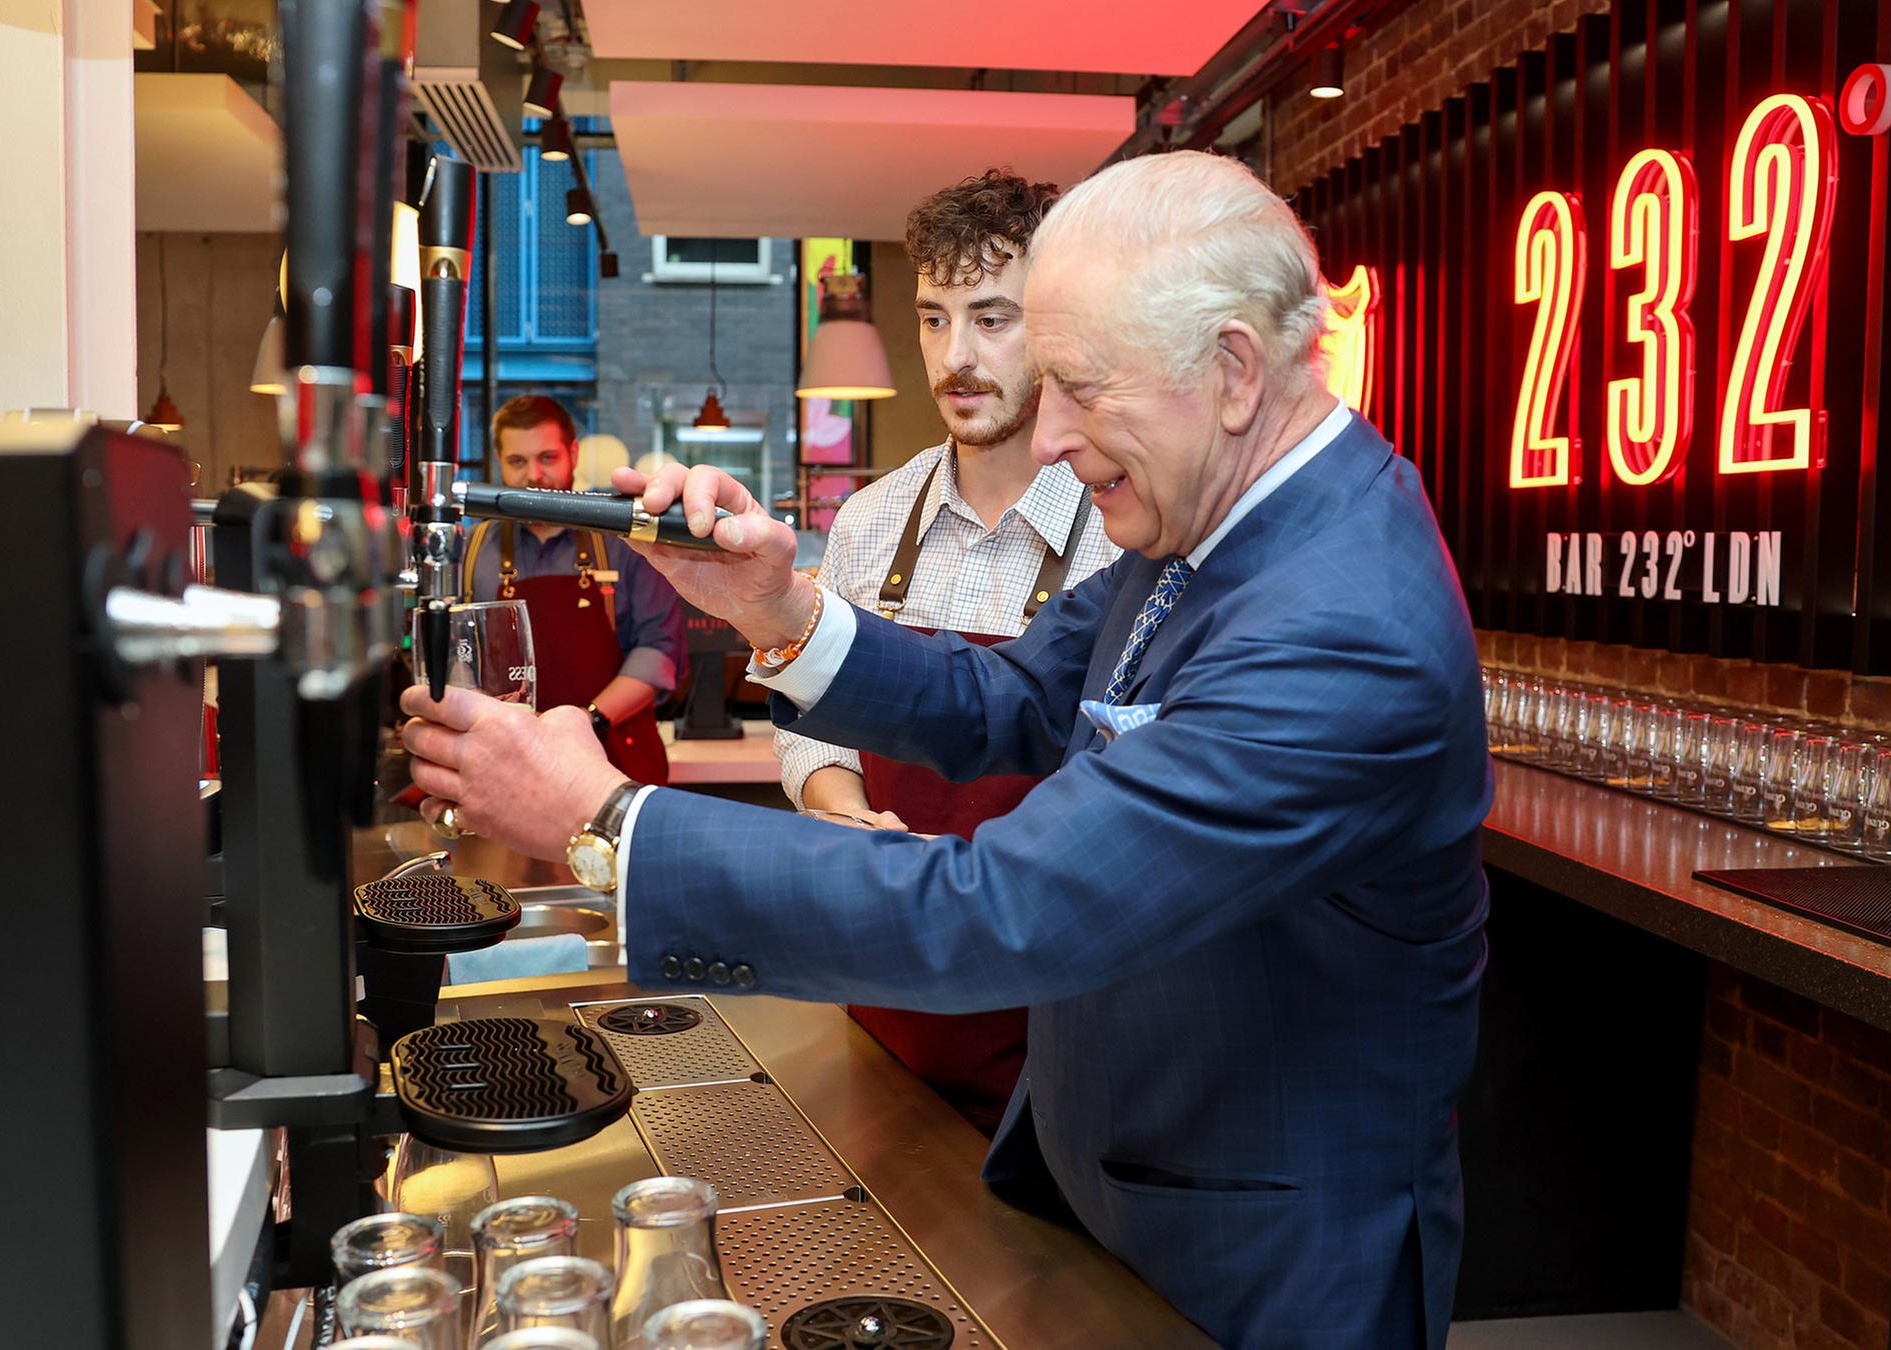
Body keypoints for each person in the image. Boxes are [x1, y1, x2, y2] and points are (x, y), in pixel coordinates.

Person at [401, 152, 1491, 1348]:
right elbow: (1002, 696)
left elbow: (1006, 908)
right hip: (1116, 1186)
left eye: (1082, 387)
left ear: (1232, 371)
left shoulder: (1343, 623)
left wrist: (606, 820)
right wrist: (777, 607)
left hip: (1261, 1258)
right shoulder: (1208, 527)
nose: (1053, 435)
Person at [780, 169, 1119, 1134]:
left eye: (992, 319)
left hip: (1055, 1014)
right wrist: (845, 817)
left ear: (1057, 328)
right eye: (934, 319)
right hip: (886, 989)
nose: (955, 357)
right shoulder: (869, 519)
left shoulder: (1120, 526)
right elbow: (814, 726)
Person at [463, 395, 685, 785]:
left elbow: (660, 649)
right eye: (517, 461)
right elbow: (459, 658)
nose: (534, 475)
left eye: (547, 458)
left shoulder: (626, 543)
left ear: (574, 454)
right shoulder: (472, 551)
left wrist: (586, 720)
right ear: (499, 461)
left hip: (613, 759)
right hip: (505, 762)